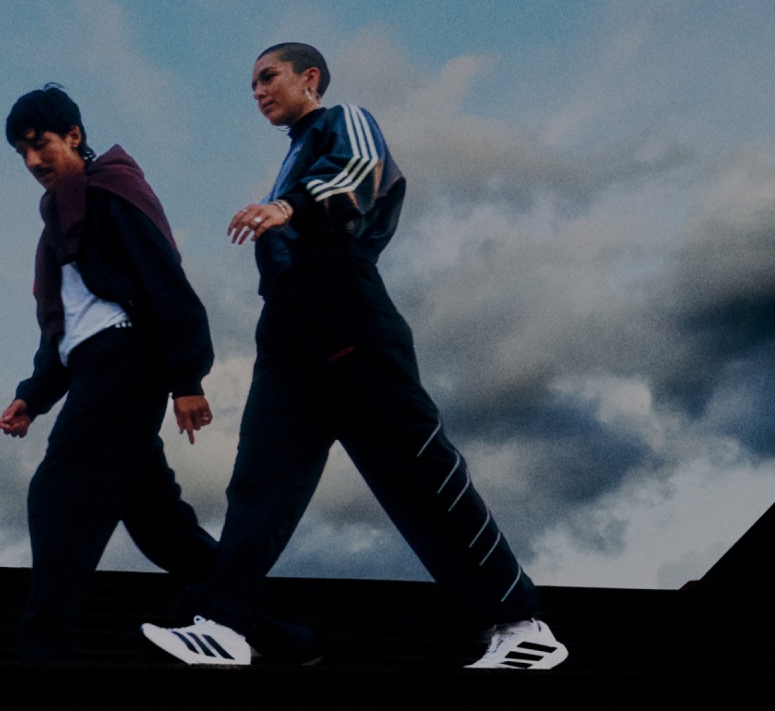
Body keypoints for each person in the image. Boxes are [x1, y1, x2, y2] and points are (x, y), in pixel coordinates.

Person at [139, 43, 568, 670]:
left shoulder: (345, 120)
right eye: (252, 84)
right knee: (260, 480)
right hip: (286, 330)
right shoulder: (292, 157)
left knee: (417, 469)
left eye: (268, 77)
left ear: (309, 78)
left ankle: (522, 624)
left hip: (345, 309)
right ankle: (224, 627)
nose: (257, 91)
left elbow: (362, 169)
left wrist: (289, 205)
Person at [0, 84, 313, 662]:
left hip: (126, 357)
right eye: (21, 152)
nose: (32, 161)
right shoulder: (60, 222)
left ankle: (41, 645)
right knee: (163, 529)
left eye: (40, 144)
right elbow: (64, 323)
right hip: (95, 362)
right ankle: (288, 638)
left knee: (57, 492)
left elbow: (164, 280)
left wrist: (186, 378)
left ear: (74, 136)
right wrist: (33, 396)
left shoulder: (113, 193)